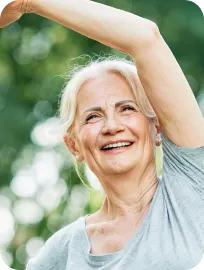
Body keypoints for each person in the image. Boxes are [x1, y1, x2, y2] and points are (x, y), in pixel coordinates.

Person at [1, 0, 204, 269]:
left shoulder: (192, 185)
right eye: (93, 116)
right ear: (74, 146)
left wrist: (27, 1)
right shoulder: (60, 254)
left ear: (156, 127)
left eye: (127, 109)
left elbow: (145, 38)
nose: (112, 126)